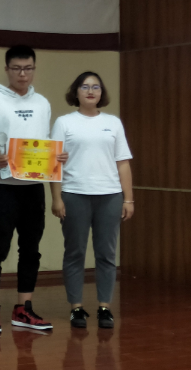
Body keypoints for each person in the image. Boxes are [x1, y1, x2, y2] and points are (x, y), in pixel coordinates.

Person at [0, 45, 66, 333]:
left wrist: (57, 157)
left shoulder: (42, 103)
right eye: (16, 68)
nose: (22, 74)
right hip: (2, 186)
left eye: (28, 68)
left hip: (33, 188)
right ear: (7, 69)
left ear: (34, 69)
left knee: (31, 249)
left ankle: (23, 309)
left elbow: (46, 144)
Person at [49, 71, 134, 329]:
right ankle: (76, 308)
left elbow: (123, 163)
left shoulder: (113, 123)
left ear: (101, 93)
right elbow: (54, 163)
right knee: (75, 252)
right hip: (74, 194)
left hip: (110, 195)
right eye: (85, 87)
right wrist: (56, 198)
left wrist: (128, 199)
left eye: (96, 87)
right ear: (76, 92)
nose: (90, 91)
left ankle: (104, 307)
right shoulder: (64, 123)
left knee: (106, 254)